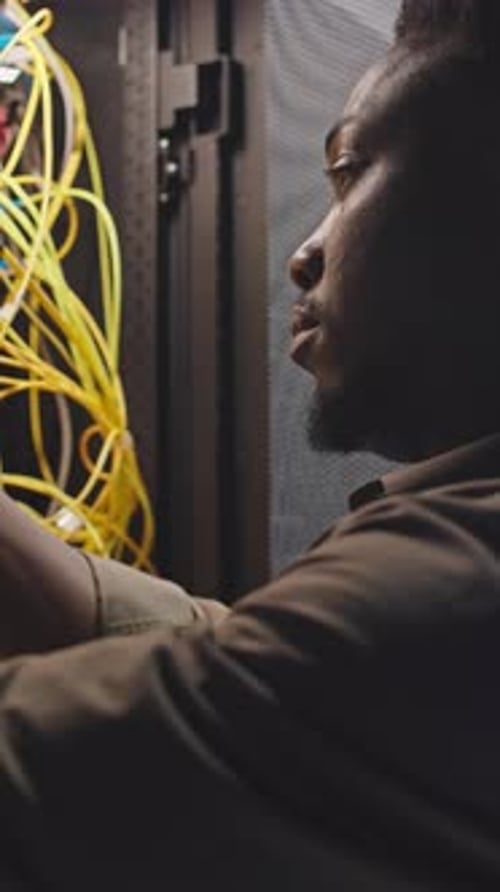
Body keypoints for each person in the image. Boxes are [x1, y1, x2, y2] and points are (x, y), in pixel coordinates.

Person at [1, 0, 500, 887]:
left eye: (348, 171)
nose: (303, 255)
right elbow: (258, 673)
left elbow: (129, 754)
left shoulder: (454, 575)